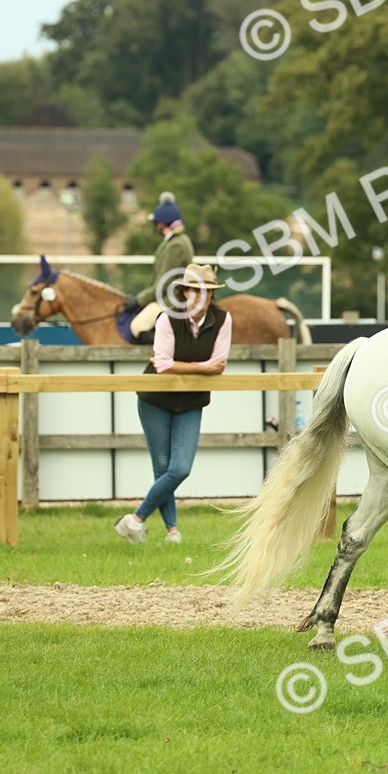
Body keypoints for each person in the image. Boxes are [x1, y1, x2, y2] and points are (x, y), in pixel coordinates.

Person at [114, 264, 232, 544]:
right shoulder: (167, 319)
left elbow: (220, 366)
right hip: (154, 398)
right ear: (184, 292)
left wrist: (194, 367)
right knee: (163, 466)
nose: (201, 297)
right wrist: (202, 366)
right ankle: (173, 533)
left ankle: (134, 520)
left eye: (207, 292)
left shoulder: (223, 319)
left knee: (180, 468)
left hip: (191, 400)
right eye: (195, 291)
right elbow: (163, 366)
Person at [123, 191, 194, 345]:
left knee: (137, 326)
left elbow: (163, 283)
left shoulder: (175, 245)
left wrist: (138, 301)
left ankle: (168, 353)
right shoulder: (177, 240)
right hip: (167, 295)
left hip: (170, 299)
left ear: (161, 224)